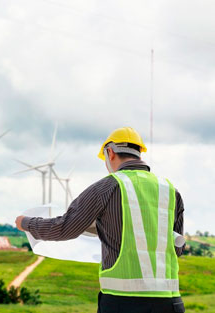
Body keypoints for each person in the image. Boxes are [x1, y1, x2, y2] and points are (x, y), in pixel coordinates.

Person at [15, 127, 185, 313]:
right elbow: (178, 248)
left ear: (110, 153)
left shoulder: (107, 188)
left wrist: (26, 223)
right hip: (170, 302)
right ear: (139, 153)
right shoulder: (170, 191)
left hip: (123, 303)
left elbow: (64, 228)